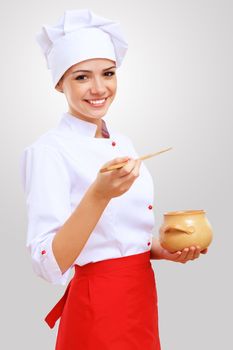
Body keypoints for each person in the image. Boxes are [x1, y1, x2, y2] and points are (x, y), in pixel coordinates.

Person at [20, 9, 208, 350]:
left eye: (108, 73)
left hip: (140, 295)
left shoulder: (122, 141)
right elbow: (47, 263)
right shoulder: (47, 152)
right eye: (81, 77)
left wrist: (156, 249)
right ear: (59, 82)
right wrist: (99, 195)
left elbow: (112, 235)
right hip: (97, 308)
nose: (98, 88)